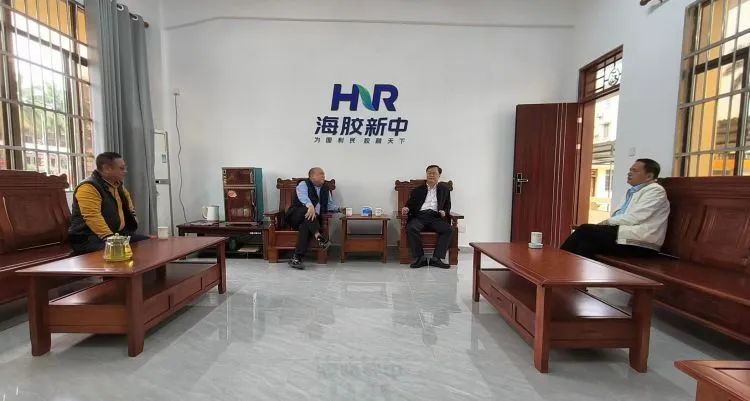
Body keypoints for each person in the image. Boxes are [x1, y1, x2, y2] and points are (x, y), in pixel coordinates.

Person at [561, 158, 670, 259]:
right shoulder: (632, 192)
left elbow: (635, 217)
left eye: (635, 170)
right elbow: (620, 216)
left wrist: (606, 222)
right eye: (630, 170)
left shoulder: (656, 191)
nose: (629, 173)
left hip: (642, 243)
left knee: (585, 229)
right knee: (585, 244)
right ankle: (568, 270)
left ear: (649, 176)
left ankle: (559, 262)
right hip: (624, 236)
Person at [68, 152, 150, 254]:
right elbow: (93, 217)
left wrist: (132, 219)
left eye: (125, 168)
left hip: (116, 234)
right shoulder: (88, 187)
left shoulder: (118, 185)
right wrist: (112, 240)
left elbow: (130, 207)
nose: (125, 171)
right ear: (106, 169)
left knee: (146, 242)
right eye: (121, 168)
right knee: (120, 252)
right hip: (88, 238)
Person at [401, 165, 453, 269]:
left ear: (439, 175)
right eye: (429, 173)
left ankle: (436, 259)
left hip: (435, 217)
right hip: (420, 216)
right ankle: (420, 258)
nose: (431, 175)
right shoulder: (418, 190)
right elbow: (410, 205)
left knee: (448, 229)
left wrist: (444, 211)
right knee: (411, 228)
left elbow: (447, 205)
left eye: (434, 173)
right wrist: (406, 208)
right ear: (426, 174)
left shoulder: (444, 190)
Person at [287, 167, 338, 269]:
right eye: (321, 174)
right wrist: (310, 206)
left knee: (305, 226)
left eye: (324, 174)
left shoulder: (325, 188)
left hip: (310, 221)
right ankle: (318, 235)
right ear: (312, 176)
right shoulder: (303, 184)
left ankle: (297, 258)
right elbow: (303, 198)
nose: (323, 176)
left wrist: (340, 209)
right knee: (307, 210)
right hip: (296, 216)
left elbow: (329, 205)